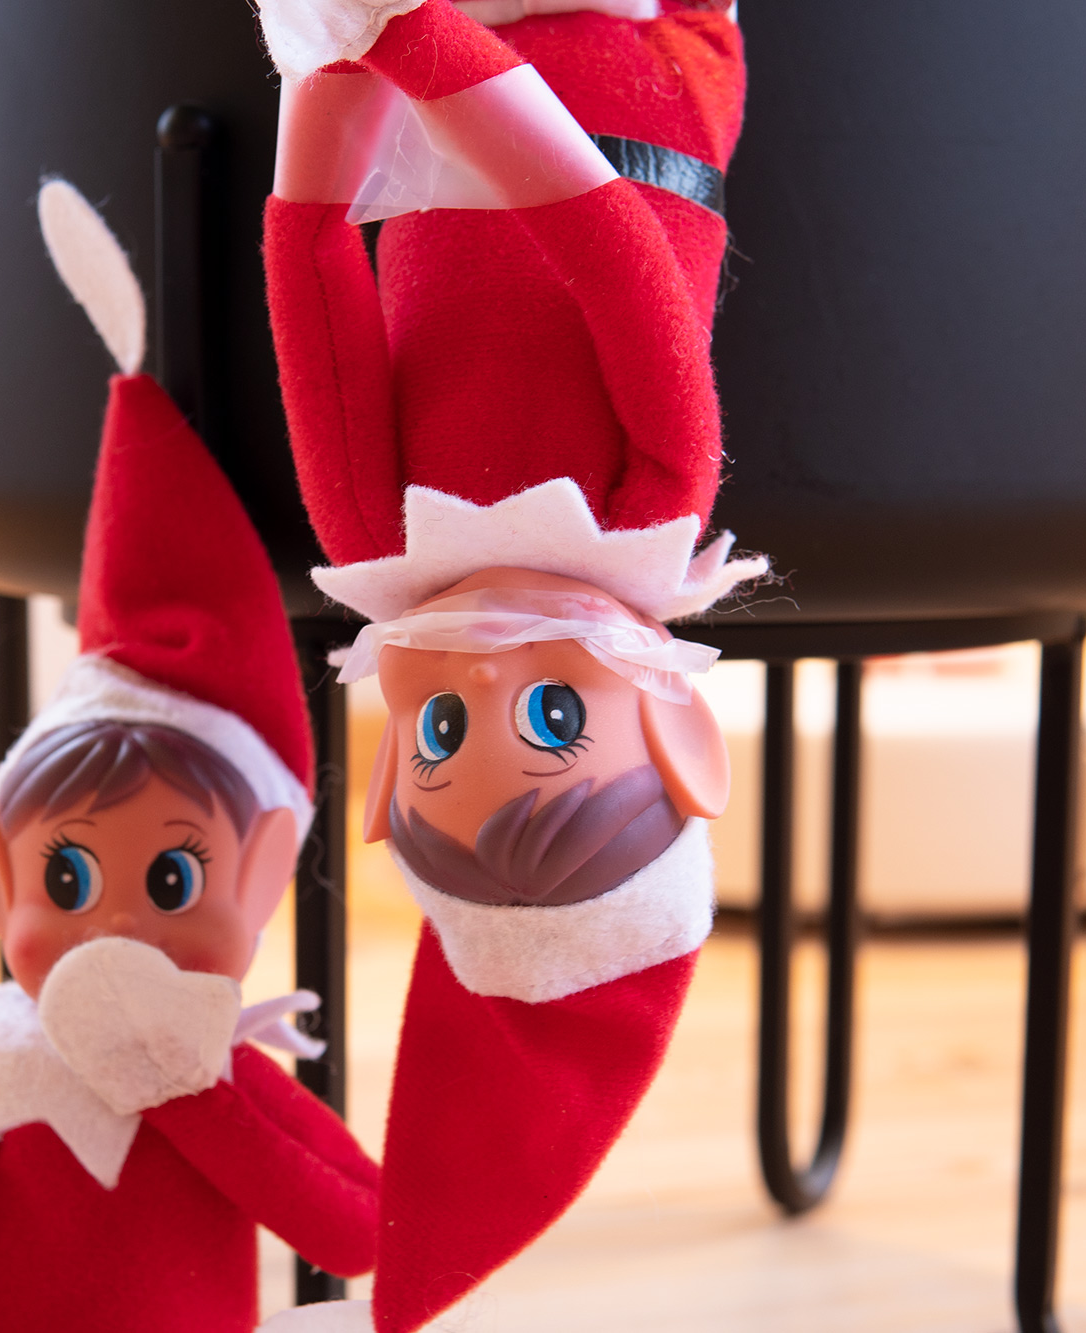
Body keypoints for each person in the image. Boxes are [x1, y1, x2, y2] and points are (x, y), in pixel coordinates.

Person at [254, 0, 765, 1327]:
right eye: (548, 721)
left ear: (382, 779)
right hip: (643, 54)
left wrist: (330, 101)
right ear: (675, 728)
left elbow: (312, 271)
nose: (478, 691)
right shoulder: (652, 496)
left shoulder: (378, 535)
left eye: (438, 743)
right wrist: (419, 45)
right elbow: (605, 239)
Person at [0, 182, 379, 1333]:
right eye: (64, 877)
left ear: (264, 874)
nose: (115, 924)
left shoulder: (223, 1082)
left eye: (171, 878)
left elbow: (360, 1232)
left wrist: (189, 1089)